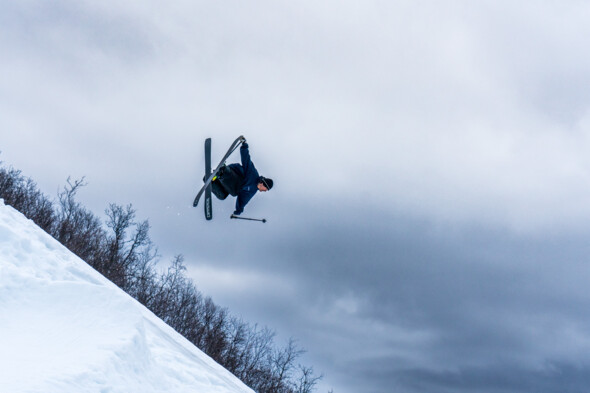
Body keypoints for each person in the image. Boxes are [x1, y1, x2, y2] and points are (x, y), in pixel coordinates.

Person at [211, 138, 273, 216]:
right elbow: (246, 160)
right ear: (264, 184)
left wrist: (239, 210)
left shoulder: (252, 190)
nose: (265, 191)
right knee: (237, 189)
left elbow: (243, 200)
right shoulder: (253, 175)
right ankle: (222, 172)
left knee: (223, 196)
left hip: (229, 182)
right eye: (266, 189)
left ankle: (211, 182)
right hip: (232, 172)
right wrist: (244, 146)